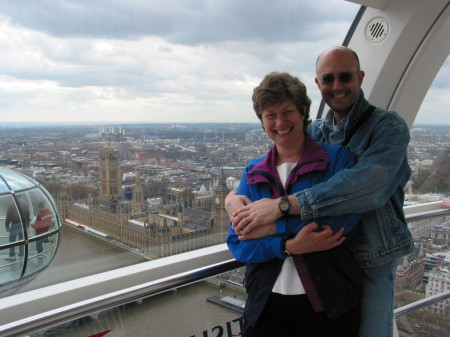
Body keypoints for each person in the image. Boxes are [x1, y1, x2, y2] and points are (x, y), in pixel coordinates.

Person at [226, 46, 414, 337]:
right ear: (318, 84)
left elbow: (367, 190)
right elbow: (240, 234)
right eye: (328, 79)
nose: (336, 86)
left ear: (360, 77)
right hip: (325, 265)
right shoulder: (316, 133)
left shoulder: (387, 127)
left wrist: (276, 213)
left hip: (371, 255)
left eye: (345, 77)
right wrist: (231, 198)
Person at [227, 72, 364, 337]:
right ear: (262, 121)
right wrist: (288, 246)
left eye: (287, 111)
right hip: (267, 304)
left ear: (303, 112)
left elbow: (343, 220)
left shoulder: (337, 160)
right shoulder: (253, 171)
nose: (280, 122)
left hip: (330, 303)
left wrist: (268, 228)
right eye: (270, 115)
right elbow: (238, 242)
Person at [5, 196, 31, 261]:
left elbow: (8, 217)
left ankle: (12, 255)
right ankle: (21, 255)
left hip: (15, 224)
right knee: (22, 240)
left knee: (12, 241)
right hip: (23, 225)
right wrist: (27, 225)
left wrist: (7, 226)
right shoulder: (25, 205)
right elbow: (28, 216)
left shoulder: (11, 206)